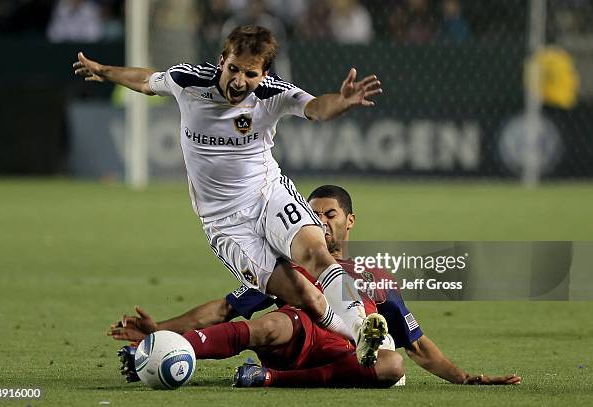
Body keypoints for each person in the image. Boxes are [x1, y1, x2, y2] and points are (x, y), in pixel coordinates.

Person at [74, 25, 386, 366]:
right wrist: (104, 71)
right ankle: (358, 340)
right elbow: (147, 80)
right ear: (222, 60)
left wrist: (340, 102)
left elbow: (316, 108)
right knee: (305, 296)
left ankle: (364, 330)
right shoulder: (189, 82)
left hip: (269, 196)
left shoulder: (272, 94)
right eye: (233, 69)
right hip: (224, 223)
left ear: (264, 73)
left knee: (317, 252)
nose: (238, 81)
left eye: (250, 74)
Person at [110, 185, 522, 388]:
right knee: (274, 324)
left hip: (337, 358)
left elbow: (416, 346)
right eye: (313, 214)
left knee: (392, 364)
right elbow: (222, 310)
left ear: (349, 221)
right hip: (290, 341)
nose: (320, 221)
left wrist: (464, 377)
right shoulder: (288, 268)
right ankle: (158, 353)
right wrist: (161, 329)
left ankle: (265, 380)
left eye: (330, 213)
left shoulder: (375, 278)